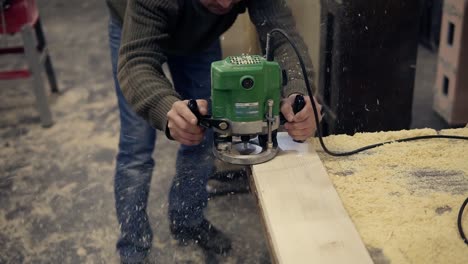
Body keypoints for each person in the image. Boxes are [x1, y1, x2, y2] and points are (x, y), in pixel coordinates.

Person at [106, 0, 322, 262]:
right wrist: (165, 109)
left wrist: (299, 92)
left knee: (207, 128)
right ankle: (133, 249)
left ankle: (188, 220)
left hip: (200, 38)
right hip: (134, 26)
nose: (224, 2)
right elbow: (137, 62)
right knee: (136, 147)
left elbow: (283, 38)